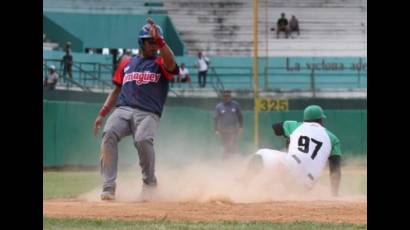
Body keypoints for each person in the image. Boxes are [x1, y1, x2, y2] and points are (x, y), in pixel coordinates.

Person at [92, 18, 179, 201]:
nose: (154, 46)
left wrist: (162, 41)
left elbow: (171, 64)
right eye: (151, 42)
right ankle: (108, 187)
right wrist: (102, 113)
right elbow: (116, 90)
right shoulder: (126, 63)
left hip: (148, 112)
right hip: (123, 109)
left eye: (157, 42)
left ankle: (149, 184)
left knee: (142, 139)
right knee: (108, 133)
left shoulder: (161, 62)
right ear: (141, 42)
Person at [243, 105, 342, 196]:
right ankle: (273, 187)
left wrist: (289, 138)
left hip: (289, 168)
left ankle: (244, 182)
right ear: (321, 120)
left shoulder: (296, 126)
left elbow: (276, 128)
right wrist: (334, 194)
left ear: (305, 119)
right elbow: (335, 170)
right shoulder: (333, 138)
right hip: (306, 184)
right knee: (288, 176)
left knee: (261, 153)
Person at [214, 90, 243, 160]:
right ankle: (226, 160)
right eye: (225, 96)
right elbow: (216, 118)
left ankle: (231, 159)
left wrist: (241, 127)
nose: (226, 97)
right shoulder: (219, 106)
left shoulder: (235, 105)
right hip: (223, 130)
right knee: (226, 145)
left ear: (230, 97)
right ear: (222, 97)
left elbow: (240, 116)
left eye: (228, 96)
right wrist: (216, 130)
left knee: (231, 144)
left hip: (233, 130)